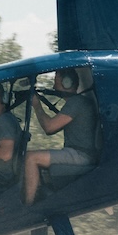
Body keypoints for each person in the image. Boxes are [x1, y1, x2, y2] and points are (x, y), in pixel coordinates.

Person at [23, 67, 98, 205]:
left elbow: (49, 127)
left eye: (56, 81)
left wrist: (37, 105)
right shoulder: (76, 102)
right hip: (78, 153)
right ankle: (39, 197)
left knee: (30, 158)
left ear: (67, 82)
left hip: (80, 155)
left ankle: (28, 206)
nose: (53, 85)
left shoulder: (76, 103)